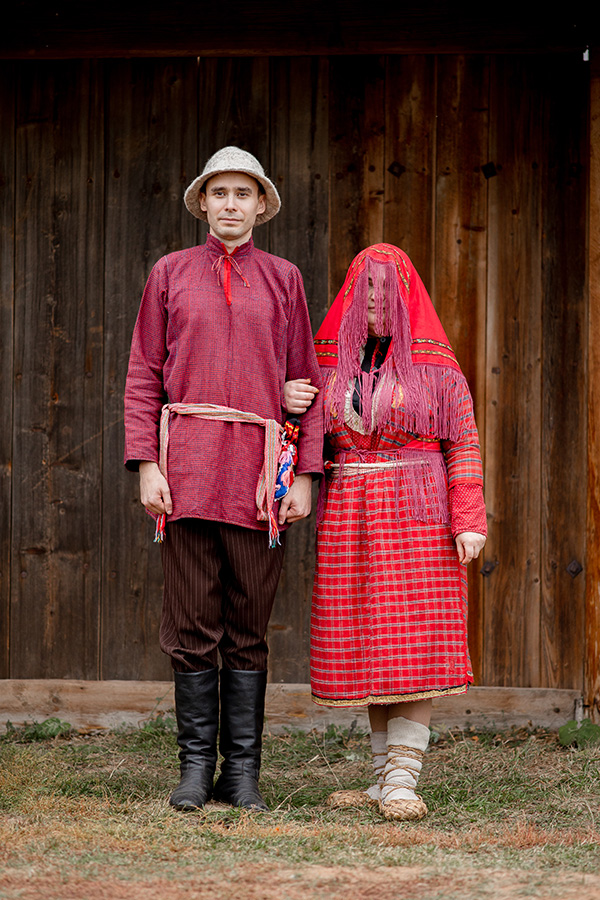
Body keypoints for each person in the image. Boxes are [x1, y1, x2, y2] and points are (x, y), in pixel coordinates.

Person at [124, 146, 323, 813]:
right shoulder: (170, 273)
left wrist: (306, 475)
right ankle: (193, 770)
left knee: (247, 623)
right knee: (190, 622)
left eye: (243, 193)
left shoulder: (284, 279)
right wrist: (147, 463)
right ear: (202, 203)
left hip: (261, 478)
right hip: (185, 470)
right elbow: (144, 374)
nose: (231, 204)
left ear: (262, 205)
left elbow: (307, 381)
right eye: (219, 193)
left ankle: (241, 774)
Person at [284, 243, 486, 821]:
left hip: (418, 512)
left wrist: (468, 518)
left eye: (386, 289)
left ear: (405, 296)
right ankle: (381, 781)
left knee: (412, 641)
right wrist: (288, 400)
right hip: (350, 513)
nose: (375, 299)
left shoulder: (436, 368)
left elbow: (462, 443)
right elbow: (302, 438)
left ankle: (402, 779)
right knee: (371, 642)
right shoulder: (328, 364)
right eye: (365, 288)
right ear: (351, 295)